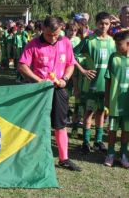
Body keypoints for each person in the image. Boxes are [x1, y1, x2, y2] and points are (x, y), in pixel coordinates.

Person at [18, 16, 82, 171]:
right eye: (49, 35)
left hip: (59, 89)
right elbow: (22, 65)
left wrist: (65, 79)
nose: (53, 38)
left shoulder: (65, 42)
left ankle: (64, 159)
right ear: (43, 29)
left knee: (60, 124)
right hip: (39, 90)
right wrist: (38, 80)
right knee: (36, 123)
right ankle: (31, 156)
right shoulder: (33, 44)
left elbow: (70, 64)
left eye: (56, 34)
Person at [74, 12, 116, 155]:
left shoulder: (113, 41)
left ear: (110, 24)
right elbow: (72, 55)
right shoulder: (88, 40)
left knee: (101, 112)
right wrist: (83, 69)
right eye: (101, 23)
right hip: (91, 85)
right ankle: (86, 142)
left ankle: (98, 141)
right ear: (96, 24)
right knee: (89, 112)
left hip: (106, 85)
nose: (103, 26)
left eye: (106, 24)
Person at [104, 31, 129, 168]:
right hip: (114, 102)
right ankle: (110, 154)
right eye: (115, 43)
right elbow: (108, 80)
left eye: (119, 44)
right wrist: (106, 99)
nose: (116, 46)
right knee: (112, 129)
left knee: (126, 130)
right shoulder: (113, 57)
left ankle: (123, 155)